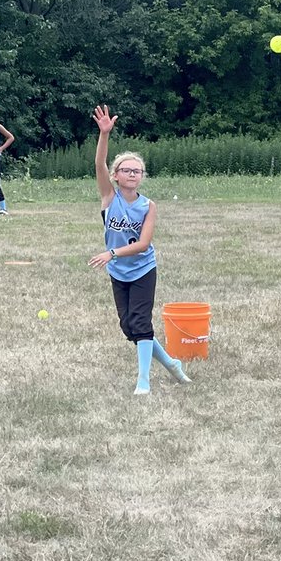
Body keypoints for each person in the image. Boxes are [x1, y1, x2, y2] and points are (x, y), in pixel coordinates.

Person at [88, 105, 192, 395]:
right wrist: (104, 135)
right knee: (129, 327)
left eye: (137, 170)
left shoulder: (149, 206)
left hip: (143, 268)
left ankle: (143, 382)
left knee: (141, 322)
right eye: (126, 170)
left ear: (141, 176)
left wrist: (111, 253)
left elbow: (143, 244)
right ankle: (172, 364)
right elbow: (98, 164)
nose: (132, 173)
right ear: (116, 176)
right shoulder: (109, 197)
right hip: (118, 272)